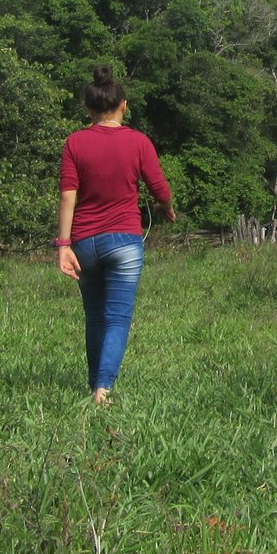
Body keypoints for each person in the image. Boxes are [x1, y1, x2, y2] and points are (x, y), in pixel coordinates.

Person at [54, 67, 174, 404]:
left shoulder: (75, 142)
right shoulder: (138, 141)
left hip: (84, 242)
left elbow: (68, 196)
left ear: (89, 109)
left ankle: (95, 382)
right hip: (125, 241)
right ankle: (102, 388)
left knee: (94, 316)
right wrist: (166, 206)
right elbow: (159, 186)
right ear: (124, 105)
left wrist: (63, 245)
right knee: (117, 317)